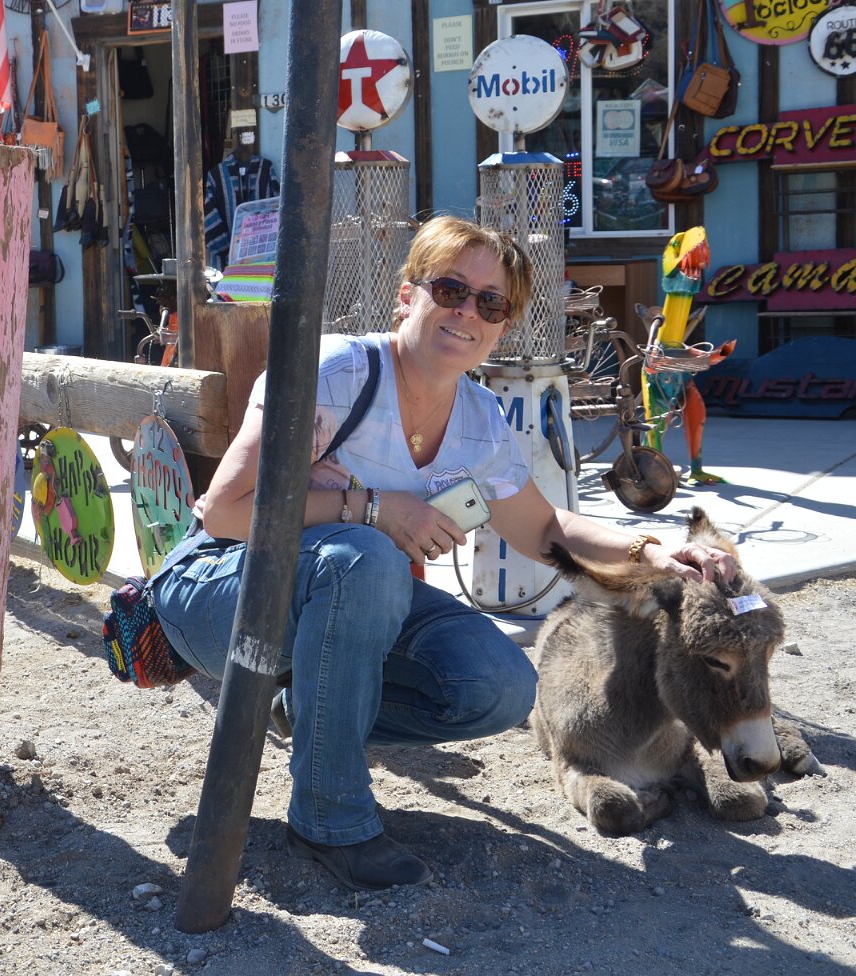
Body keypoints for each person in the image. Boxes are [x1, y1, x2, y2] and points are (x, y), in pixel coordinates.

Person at [149, 215, 737, 892]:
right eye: (451, 290)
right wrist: (374, 507)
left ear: (502, 328)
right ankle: (329, 817)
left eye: (491, 303)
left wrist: (652, 551)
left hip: (341, 604)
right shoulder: (337, 372)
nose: (467, 313)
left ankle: (305, 707)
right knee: (366, 556)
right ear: (407, 296)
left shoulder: (479, 419)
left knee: (497, 687)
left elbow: (544, 529)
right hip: (216, 588)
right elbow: (223, 512)